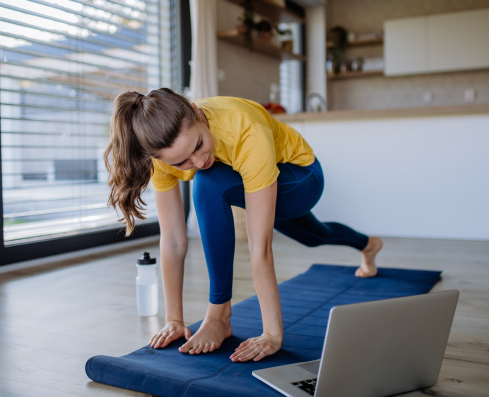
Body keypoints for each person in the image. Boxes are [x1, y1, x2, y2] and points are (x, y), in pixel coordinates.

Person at [104, 88, 383, 363]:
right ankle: (368, 244)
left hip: (302, 178)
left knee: (208, 181)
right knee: (315, 235)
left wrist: (272, 334)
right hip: (250, 180)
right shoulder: (161, 160)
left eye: (199, 145)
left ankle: (219, 315)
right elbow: (174, 240)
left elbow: (260, 248)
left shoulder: (243, 128)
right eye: (182, 161)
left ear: (198, 112)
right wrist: (174, 320)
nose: (198, 161)